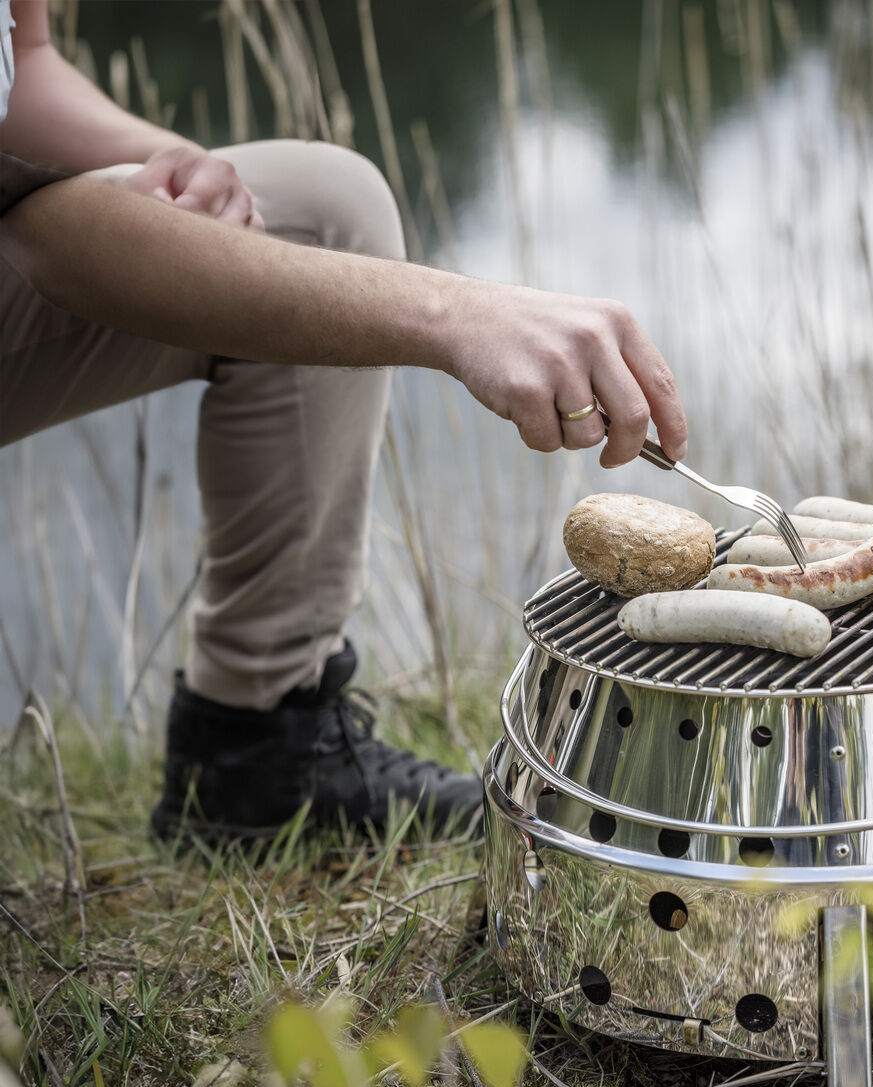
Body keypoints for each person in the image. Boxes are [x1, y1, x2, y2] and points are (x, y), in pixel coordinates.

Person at [0, 0, 688, 840]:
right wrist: (457, 316)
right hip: (39, 237)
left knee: (326, 206)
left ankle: (256, 753)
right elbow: (48, 239)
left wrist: (160, 159)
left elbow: (20, 62)